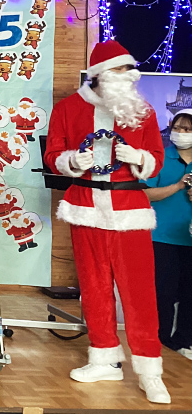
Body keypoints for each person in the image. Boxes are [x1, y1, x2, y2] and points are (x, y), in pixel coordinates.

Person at [45, 40, 169, 404]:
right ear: (100, 74)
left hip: (129, 209)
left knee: (139, 292)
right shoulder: (68, 108)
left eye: (128, 70)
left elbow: (156, 159)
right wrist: (72, 160)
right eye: (119, 70)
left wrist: (140, 157)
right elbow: (53, 154)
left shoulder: (143, 111)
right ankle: (103, 358)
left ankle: (150, 371)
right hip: (85, 205)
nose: (127, 76)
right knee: (93, 287)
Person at [143, 108, 192, 361]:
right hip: (161, 236)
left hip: (189, 237)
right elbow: (145, 194)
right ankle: (160, 340)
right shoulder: (161, 158)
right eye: (177, 128)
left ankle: (184, 341)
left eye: (187, 129)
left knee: (189, 294)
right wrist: (178, 186)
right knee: (163, 293)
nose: (181, 133)